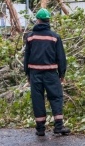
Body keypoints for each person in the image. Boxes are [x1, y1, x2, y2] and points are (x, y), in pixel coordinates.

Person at [24, 8, 70, 136]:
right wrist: (62, 74)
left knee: (37, 99)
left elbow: (27, 56)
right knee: (56, 97)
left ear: (38, 20)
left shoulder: (30, 37)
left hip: (35, 74)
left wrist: (27, 73)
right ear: (48, 20)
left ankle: (40, 129)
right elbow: (61, 57)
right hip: (51, 74)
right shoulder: (55, 37)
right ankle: (59, 126)